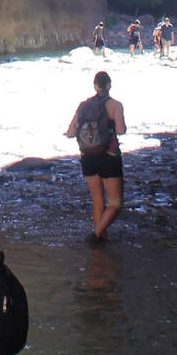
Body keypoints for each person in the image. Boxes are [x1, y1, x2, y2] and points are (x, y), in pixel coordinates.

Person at [66, 68, 127, 240]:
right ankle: (96, 234)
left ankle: (99, 241)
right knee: (115, 203)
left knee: (97, 199)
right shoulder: (115, 105)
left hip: (87, 157)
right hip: (109, 157)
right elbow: (121, 130)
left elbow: (71, 132)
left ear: (95, 86)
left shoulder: (83, 105)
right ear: (109, 85)